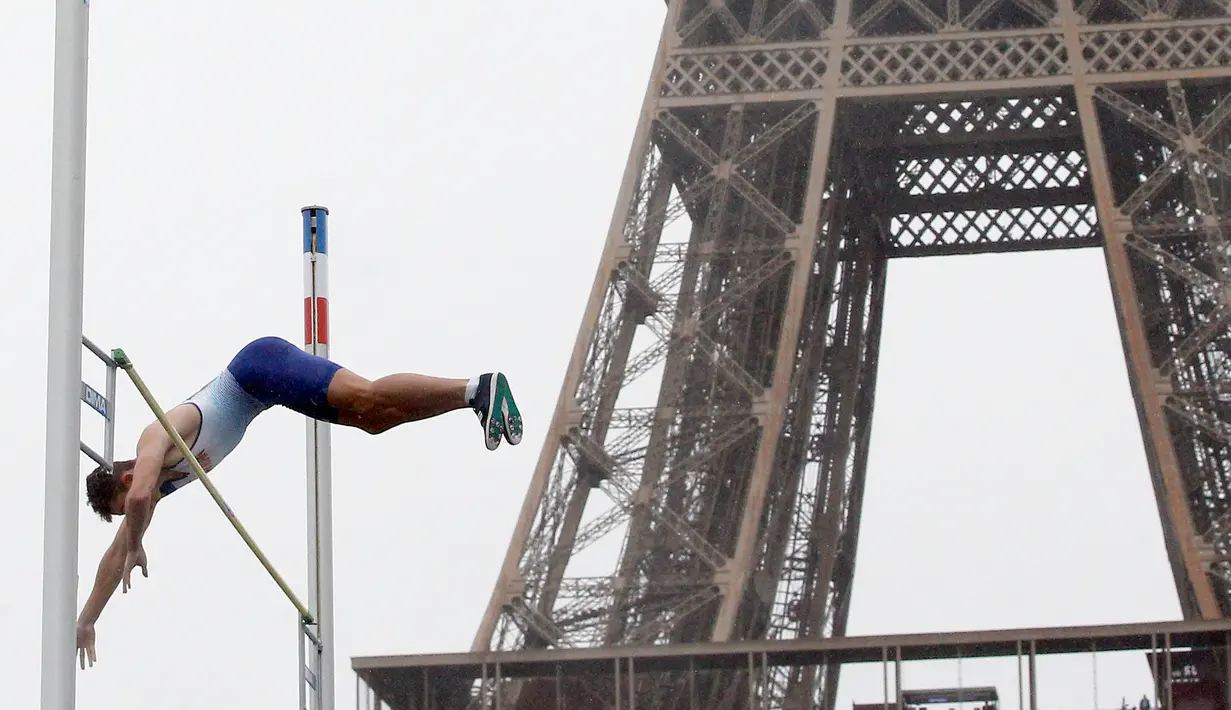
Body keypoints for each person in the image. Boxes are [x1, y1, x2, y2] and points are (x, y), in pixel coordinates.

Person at [73, 335, 523, 668]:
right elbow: (115, 554)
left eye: (130, 502)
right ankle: (473, 399)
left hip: (258, 368)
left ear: (130, 477)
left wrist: (135, 540)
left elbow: (133, 509)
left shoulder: (154, 442)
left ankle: (477, 385)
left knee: (365, 396)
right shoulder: (157, 486)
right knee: (374, 421)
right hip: (264, 393)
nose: (143, 507)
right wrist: (88, 619)